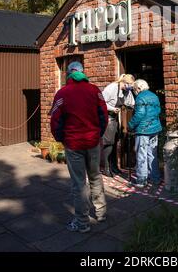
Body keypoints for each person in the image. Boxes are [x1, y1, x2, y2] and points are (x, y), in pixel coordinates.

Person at [50, 61, 108, 233]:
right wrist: (98, 134)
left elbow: (55, 120)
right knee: (96, 176)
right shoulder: (94, 90)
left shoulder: (62, 93)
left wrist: (61, 139)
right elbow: (103, 115)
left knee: (79, 183)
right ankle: (101, 213)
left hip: (74, 143)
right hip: (93, 142)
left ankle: (82, 222)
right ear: (83, 72)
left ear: (68, 74)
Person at [128, 79, 162, 188]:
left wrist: (130, 125)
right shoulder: (154, 96)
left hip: (143, 130)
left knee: (141, 155)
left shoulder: (140, 97)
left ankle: (142, 180)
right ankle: (155, 178)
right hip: (155, 128)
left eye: (134, 89)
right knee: (152, 154)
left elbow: (140, 114)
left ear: (138, 88)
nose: (134, 92)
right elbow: (158, 111)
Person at [102, 74, 135, 177]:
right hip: (107, 116)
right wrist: (112, 109)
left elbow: (131, 102)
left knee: (115, 142)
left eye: (131, 86)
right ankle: (106, 168)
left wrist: (131, 105)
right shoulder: (111, 87)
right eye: (129, 85)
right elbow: (100, 102)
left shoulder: (127, 91)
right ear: (124, 82)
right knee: (108, 143)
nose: (130, 87)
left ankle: (114, 167)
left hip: (115, 118)